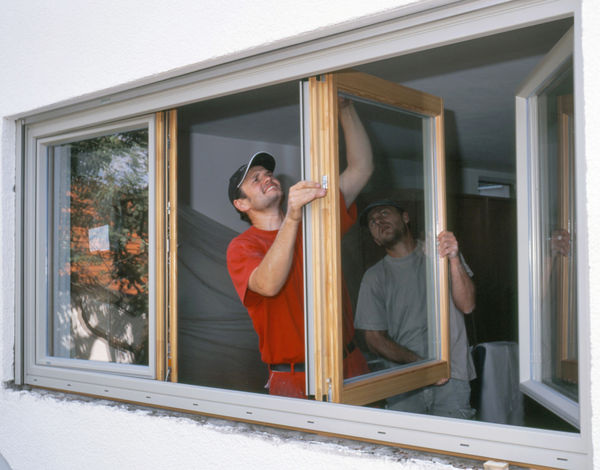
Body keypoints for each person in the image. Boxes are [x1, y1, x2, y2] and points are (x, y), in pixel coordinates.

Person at [226, 101, 373, 398]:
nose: (267, 177)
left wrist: (344, 108)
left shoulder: (314, 222)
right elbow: (268, 284)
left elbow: (362, 168)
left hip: (350, 363)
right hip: (295, 379)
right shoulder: (242, 247)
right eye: (255, 179)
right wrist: (293, 217)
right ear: (241, 204)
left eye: (267, 173)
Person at [354, 199, 476, 418]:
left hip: (452, 375)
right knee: (406, 450)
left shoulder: (440, 254)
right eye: (372, 222)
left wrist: (454, 260)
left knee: (452, 449)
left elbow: (467, 305)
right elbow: (373, 339)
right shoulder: (374, 278)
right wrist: (421, 365)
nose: (379, 221)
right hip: (404, 383)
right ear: (374, 238)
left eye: (384, 212)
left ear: (405, 217)